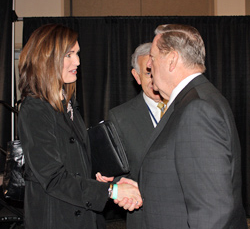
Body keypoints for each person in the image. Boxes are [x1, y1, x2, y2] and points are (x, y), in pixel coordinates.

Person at [17, 23, 142, 229]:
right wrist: (111, 191)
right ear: (47, 59)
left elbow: (74, 164)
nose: (77, 61)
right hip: (57, 219)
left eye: (77, 53)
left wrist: (106, 179)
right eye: (69, 54)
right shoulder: (35, 109)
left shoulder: (67, 103)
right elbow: (53, 178)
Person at [130, 24, 247, 228]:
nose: (148, 65)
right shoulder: (196, 99)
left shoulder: (197, 109)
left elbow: (212, 212)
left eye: (153, 57)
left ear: (172, 60)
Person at [96, 42, 167, 229]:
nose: (155, 79)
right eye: (148, 73)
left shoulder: (187, 108)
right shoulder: (120, 117)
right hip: (143, 216)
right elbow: (114, 173)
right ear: (136, 76)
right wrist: (125, 192)